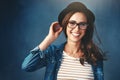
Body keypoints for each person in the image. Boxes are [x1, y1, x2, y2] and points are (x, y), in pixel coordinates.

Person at [22, 2, 105, 80]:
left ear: (87, 27)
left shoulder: (95, 57)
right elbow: (27, 66)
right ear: (65, 24)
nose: (77, 29)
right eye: (72, 23)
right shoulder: (52, 53)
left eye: (82, 24)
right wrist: (49, 38)